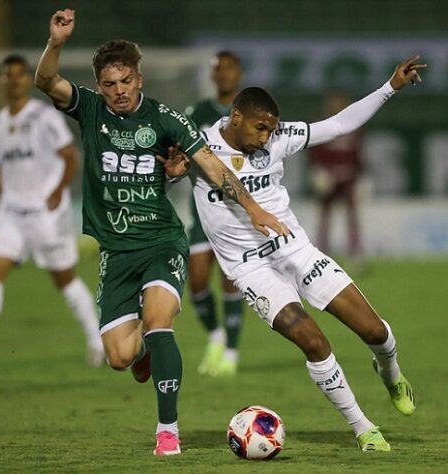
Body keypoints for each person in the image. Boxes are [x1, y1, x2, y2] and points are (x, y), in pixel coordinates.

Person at [34, 9, 286, 456]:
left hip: (162, 241)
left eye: (125, 81)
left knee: (159, 323)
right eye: (109, 84)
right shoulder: (89, 110)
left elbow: (211, 166)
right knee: (118, 358)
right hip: (115, 249)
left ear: (139, 78)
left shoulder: (166, 119)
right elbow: (46, 82)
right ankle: (145, 357)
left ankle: (167, 432)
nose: (118, 91)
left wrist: (252, 208)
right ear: (98, 86)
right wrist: (55, 43)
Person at [160, 56, 424, 451]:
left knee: (375, 332)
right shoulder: (201, 146)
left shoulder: (281, 135)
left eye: (270, 129)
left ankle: (390, 373)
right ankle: (364, 428)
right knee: (314, 342)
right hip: (250, 270)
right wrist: (169, 176)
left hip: (295, 249)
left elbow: (337, 125)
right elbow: (159, 183)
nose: (267, 137)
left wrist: (389, 88)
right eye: (259, 127)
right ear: (235, 118)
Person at [0, 54, 104, 370]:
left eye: (21, 74)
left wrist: (57, 191)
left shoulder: (44, 117)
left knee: (64, 279)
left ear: (27, 79)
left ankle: (97, 342)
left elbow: (70, 157)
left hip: (46, 212)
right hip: (11, 212)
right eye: (9, 74)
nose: (15, 80)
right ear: (2, 81)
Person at [185, 51, 244, 376]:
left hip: (235, 214)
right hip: (203, 212)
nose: (224, 74)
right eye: (219, 69)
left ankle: (231, 353)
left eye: (230, 68)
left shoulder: (246, 113)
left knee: (231, 283)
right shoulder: (198, 112)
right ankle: (216, 336)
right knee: (195, 283)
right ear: (212, 75)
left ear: (239, 73)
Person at [309, 92, 365, 268]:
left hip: (348, 178)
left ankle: (355, 253)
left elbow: (358, 154)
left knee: (352, 216)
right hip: (329, 177)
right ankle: (322, 253)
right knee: (325, 216)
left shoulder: (354, 126)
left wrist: (362, 177)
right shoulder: (322, 125)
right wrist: (317, 170)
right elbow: (314, 151)